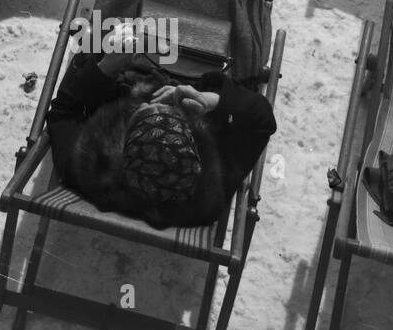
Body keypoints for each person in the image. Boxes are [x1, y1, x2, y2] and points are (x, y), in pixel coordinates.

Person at [45, 35, 276, 228]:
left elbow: (63, 111)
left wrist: (106, 67)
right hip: (209, 62)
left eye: (141, 110)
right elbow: (263, 119)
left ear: (123, 141)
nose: (151, 101)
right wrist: (209, 101)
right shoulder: (205, 194)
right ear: (193, 137)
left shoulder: (90, 168)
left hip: (139, 54)